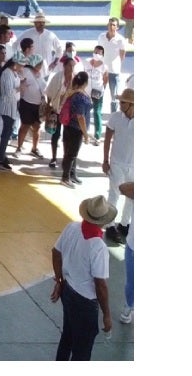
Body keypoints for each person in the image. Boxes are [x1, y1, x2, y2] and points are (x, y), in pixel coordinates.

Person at [51, 195, 115, 360]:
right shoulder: (98, 247)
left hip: (67, 291)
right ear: (103, 221)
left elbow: (56, 252)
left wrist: (59, 281)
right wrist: (107, 314)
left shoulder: (71, 228)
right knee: (82, 350)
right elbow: (100, 285)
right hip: (84, 302)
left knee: (67, 336)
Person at [101, 87, 134, 246]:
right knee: (114, 194)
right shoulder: (115, 117)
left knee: (132, 196)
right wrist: (105, 160)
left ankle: (124, 224)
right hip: (117, 163)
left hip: (134, 165)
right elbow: (107, 139)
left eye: (123, 102)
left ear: (132, 105)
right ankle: (110, 226)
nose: (120, 104)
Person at [58, 72, 92, 188]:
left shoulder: (72, 93)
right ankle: (65, 177)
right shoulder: (81, 97)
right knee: (71, 154)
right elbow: (80, 116)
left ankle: (72, 174)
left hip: (68, 126)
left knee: (70, 152)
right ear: (85, 83)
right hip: (76, 129)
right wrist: (85, 134)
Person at [13, 40, 45, 159]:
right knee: (25, 126)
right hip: (27, 103)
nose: (41, 67)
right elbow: (19, 80)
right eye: (40, 64)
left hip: (38, 104)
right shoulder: (25, 71)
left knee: (37, 127)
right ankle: (19, 147)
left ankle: (34, 148)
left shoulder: (39, 74)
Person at [43, 57, 75, 171]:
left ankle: (66, 158)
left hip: (69, 113)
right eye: (70, 65)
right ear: (65, 66)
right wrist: (48, 109)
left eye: (73, 66)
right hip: (56, 110)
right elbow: (49, 93)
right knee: (55, 135)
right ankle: (53, 158)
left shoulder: (75, 79)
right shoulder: (57, 77)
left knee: (68, 137)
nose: (72, 68)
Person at [0, 55, 22, 169]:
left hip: (12, 107)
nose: (22, 68)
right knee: (6, 132)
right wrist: (20, 88)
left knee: (8, 131)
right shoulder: (7, 73)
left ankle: (2, 155)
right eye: (21, 65)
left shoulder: (13, 73)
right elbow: (8, 91)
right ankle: (0, 159)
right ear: (15, 64)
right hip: (7, 107)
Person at [19, 13, 63, 81]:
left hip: (46, 70)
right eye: (39, 22)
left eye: (43, 22)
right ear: (35, 23)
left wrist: (55, 62)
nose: (41, 24)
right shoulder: (27, 34)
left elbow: (59, 48)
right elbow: (16, 45)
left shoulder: (50, 35)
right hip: (31, 70)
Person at [97, 17, 128, 112]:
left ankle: (113, 116)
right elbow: (99, 51)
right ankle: (98, 114)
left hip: (114, 72)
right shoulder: (101, 37)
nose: (111, 27)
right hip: (102, 71)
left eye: (113, 25)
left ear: (117, 27)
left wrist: (115, 64)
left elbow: (122, 55)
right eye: (110, 24)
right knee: (99, 94)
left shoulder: (120, 40)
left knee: (114, 97)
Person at [118, 180, 135, 325]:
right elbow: (122, 188)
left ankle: (128, 307)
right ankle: (129, 306)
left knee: (132, 281)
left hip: (133, 245)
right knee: (132, 281)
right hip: (133, 245)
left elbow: (123, 188)